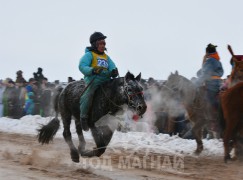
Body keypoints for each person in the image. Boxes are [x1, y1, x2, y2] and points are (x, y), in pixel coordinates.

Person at [79, 32, 119, 131]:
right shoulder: (89, 55)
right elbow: (82, 66)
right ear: (94, 44)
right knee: (88, 94)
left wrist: (114, 71)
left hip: (106, 80)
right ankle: (83, 117)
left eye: (104, 44)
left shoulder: (106, 57)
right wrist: (92, 70)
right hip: (93, 79)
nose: (102, 46)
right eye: (100, 43)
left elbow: (112, 66)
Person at [196, 43, 224, 137]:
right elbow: (221, 72)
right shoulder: (217, 61)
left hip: (212, 84)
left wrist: (195, 84)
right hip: (218, 83)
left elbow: (205, 75)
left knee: (209, 101)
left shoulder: (210, 61)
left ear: (207, 52)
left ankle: (214, 122)